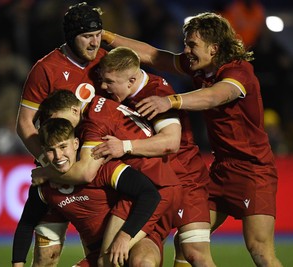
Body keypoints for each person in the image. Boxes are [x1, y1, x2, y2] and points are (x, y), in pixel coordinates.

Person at [101, 12, 283, 267]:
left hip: (253, 171)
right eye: (186, 43)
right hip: (220, 170)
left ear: (214, 48)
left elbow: (214, 97)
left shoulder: (239, 72)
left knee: (260, 250)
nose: (185, 50)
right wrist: (107, 37)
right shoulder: (202, 68)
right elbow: (153, 55)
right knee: (189, 244)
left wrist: (171, 100)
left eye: (192, 44)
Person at [90, 46, 215, 267]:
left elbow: (170, 141)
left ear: (130, 81)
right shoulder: (123, 92)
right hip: (152, 185)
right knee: (138, 261)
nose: (103, 87)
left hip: (185, 180)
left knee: (196, 255)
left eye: (109, 82)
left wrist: (124, 147)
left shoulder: (155, 94)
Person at [31, 89, 183, 267]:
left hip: (156, 188)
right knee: (137, 260)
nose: (61, 125)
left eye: (60, 119)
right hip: (145, 188)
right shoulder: (101, 108)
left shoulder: (94, 123)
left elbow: (86, 173)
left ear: (74, 110)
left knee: (107, 259)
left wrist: (47, 172)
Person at [13, 2, 107, 265]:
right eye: (87, 36)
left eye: (98, 35)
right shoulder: (45, 69)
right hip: (57, 173)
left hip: (93, 172)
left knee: (100, 256)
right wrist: (50, 162)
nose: (94, 42)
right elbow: (24, 124)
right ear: (70, 36)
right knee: (47, 257)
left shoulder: (106, 63)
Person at [15, 116, 162, 266]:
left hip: (135, 240)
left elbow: (150, 194)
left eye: (63, 147)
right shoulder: (44, 185)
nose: (58, 156)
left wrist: (125, 237)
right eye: (51, 150)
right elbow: (26, 224)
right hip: (98, 256)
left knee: (142, 263)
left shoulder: (100, 167)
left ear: (76, 144)